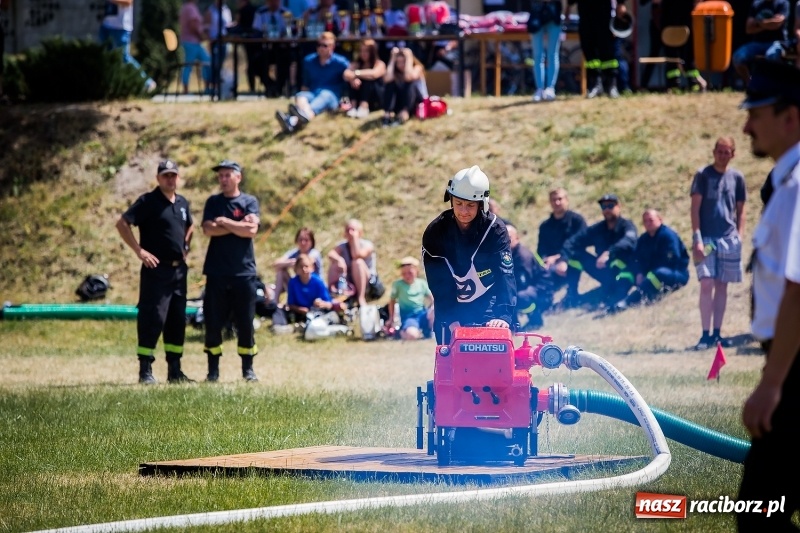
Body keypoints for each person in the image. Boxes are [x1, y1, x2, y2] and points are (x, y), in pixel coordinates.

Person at [737, 59, 800, 532]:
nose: (746, 125)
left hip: (796, 374)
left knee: (760, 515)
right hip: (789, 362)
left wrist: (774, 382)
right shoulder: (785, 183)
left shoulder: (797, 187)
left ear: (790, 117)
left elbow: (799, 288)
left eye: (756, 113)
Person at [116, 160, 194, 384]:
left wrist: (185, 247)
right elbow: (123, 223)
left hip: (178, 272)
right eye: (166, 175)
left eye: (173, 175)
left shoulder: (181, 203)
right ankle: (145, 371)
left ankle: (175, 370)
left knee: (177, 319)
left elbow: (190, 225)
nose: (170, 179)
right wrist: (139, 251)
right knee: (153, 317)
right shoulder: (148, 201)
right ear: (158, 178)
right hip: (156, 270)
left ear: (178, 178)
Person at [421, 166, 516, 345]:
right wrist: (451, 318)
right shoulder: (435, 233)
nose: (464, 211)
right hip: (449, 304)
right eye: (459, 203)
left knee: (490, 361)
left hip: (488, 302)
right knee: (449, 361)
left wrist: (503, 315)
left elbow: (505, 274)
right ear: (450, 201)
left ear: (482, 204)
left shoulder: (495, 230)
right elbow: (438, 282)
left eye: (471, 205)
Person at [201, 160, 260, 382]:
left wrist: (225, 222)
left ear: (238, 177)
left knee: (245, 323)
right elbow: (208, 229)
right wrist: (238, 225)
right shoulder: (213, 202)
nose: (223, 179)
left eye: (227, 175)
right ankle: (213, 371)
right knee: (214, 323)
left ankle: (248, 369)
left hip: (243, 273)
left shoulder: (249, 202)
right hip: (217, 272)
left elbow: (251, 231)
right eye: (221, 176)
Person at [690, 137, 747, 350]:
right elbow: (695, 208)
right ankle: (704, 334)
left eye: (727, 152)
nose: (723, 155)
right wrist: (697, 237)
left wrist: (739, 236)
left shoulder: (737, 178)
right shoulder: (702, 175)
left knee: (722, 286)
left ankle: (717, 333)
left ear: (733, 154)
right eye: (719, 151)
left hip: (728, 238)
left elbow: (741, 210)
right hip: (706, 238)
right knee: (706, 283)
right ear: (714, 152)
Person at [554, 193, 637, 310]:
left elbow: (629, 240)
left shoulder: (627, 226)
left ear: (618, 206)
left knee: (616, 268)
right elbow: (573, 241)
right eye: (604, 207)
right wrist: (563, 259)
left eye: (610, 206)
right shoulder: (599, 229)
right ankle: (571, 295)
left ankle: (615, 298)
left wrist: (609, 252)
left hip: (624, 272)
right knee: (576, 255)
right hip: (605, 271)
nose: (607, 210)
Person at [611, 209, 689, 312]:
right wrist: (639, 272)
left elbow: (672, 260)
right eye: (645, 221)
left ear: (660, 220)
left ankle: (627, 302)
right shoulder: (643, 239)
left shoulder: (668, 236)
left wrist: (646, 273)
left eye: (651, 220)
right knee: (627, 272)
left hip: (675, 273)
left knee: (658, 273)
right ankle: (613, 300)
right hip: (650, 274)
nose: (648, 223)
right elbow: (636, 258)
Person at [274, 31, 349, 134]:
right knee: (301, 96)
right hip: (313, 93)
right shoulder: (309, 60)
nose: (321, 48)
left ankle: (292, 119)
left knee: (325, 95)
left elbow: (351, 71)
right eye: (319, 45)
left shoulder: (340, 62)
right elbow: (305, 84)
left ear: (332, 46)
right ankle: (296, 120)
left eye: (324, 45)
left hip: (331, 97)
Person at [537, 187, 587, 308]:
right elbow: (541, 249)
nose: (557, 202)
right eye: (554, 200)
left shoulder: (577, 221)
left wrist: (560, 258)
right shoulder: (545, 225)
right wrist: (545, 260)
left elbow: (581, 244)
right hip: (551, 264)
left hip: (573, 259)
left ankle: (572, 295)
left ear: (567, 200)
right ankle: (545, 302)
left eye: (560, 199)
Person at [567, 0, 624, 98]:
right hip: (585, 12)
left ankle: (612, 85)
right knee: (589, 49)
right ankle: (595, 85)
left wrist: (621, 3)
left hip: (604, 12)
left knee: (608, 50)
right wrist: (569, 5)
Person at [98, 0, 156, 92]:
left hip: (121, 26)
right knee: (105, 56)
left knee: (124, 57)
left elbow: (128, 2)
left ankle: (147, 82)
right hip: (106, 25)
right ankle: (108, 85)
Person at [327, 218, 384, 307]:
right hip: (349, 281)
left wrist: (354, 240)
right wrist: (339, 260)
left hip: (368, 283)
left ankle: (361, 298)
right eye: (348, 230)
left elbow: (356, 255)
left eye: (353, 230)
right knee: (334, 265)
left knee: (357, 262)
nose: (350, 232)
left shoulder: (367, 245)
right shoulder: (342, 246)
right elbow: (331, 254)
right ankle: (334, 295)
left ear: (360, 232)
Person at [732, 0, 790, 84]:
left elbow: (777, 24)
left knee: (771, 55)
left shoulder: (782, 3)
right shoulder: (757, 4)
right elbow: (748, 29)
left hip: (777, 42)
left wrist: (759, 23)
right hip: (758, 43)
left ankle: (773, 85)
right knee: (738, 57)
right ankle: (751, 84)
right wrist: (769, 23)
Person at [507, 225, 553, 330]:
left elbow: (522, 283)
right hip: (527, 286)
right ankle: (512, 326)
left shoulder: (522, 256)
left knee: (517, 297)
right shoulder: (506, 254)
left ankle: (535, 319)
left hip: (541, 289)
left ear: (517, 238)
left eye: (508, 238)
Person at [276, 253, 343, 325]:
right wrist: (300, 309)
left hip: (317, 312)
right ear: (296, 269)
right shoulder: (293, 282)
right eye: (301, 267)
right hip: (299, 313)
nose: (304, 269)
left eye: (306, 266)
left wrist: (321, 303)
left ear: (312, 268)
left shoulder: (318, 281)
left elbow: (329, 303)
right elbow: (290, 304)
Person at [386, 256, 434, 340]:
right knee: (412, 336)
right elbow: (392, 301)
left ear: (416, 271)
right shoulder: (398, 285)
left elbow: (432, 299)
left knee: (435, 311)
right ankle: (402, 332)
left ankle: (430, 331)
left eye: (410, 273)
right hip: (409, 317)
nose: (407, 276)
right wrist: (391, 318)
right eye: (404, 273)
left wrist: (432, 308)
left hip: (422, 314)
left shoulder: (421, 283)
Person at [252, 0, 292, 98]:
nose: (273, 3)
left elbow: (290, 30)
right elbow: (256, 31)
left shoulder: (286, 13)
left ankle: (279, 87)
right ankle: (270, 86)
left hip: (282, 48)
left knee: (287, 60)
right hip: (265, 48)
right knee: (255, 63)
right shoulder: (260, 12)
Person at [272, 227, 323, 302]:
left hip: (313, 286)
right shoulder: (294, 253)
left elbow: (308, 262)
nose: (303, 243)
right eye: (300, 240)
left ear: (312, 242)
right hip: (299, 284)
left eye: (306, 240)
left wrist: (295, 263)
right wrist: (289, 263)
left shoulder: (314, 253)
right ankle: (275, 301)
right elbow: (276, 264)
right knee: (280, 270)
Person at [528, 0, 565, 102]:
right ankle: (539, 88)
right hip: (536, 15)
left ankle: (550, 88)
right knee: (537, 55)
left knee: (552, 53)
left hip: (554, 14)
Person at [382, 47, 425, 127]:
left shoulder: (417, 68)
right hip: (400, 102)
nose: (401, 65)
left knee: (410, 83)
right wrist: (392, 58)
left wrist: (409, 57)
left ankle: (405, 114)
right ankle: (387, 115)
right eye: (398, 62)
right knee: (390, 84)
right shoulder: (396, 73)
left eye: (403, 62)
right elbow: (387, 79)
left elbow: (409, 77)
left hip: (417, 103)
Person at [343, 39, 387, 119]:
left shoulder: (379, 64)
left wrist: (356, 74)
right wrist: (353, 79)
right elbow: (346, 74)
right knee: (353, 81)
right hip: (359, 94)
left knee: (368, 80)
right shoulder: (357, 63)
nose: (363, 54)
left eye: (366, 51)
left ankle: (364, 107)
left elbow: (374, 74)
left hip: (376, 98)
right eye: (361, 51)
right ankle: (353, 106)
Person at [179, 0, 212, 94]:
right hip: (191, 42)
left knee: (206, 61)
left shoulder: (188, 7)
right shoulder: (190, 8)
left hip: (195, 42)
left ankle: (207, 88)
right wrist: (202, 35)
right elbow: (193, 26)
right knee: (188, 65)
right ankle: (185, 90)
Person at [205, 0, 233, 94]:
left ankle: (218, 87)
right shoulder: (210, 10)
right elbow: (207, 27)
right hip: (214, 41)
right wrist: (209, 39)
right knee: (215, 64)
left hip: (225, 41)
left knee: (220, 64)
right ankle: (211, 87)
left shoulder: (226, 10)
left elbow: (228, 24)